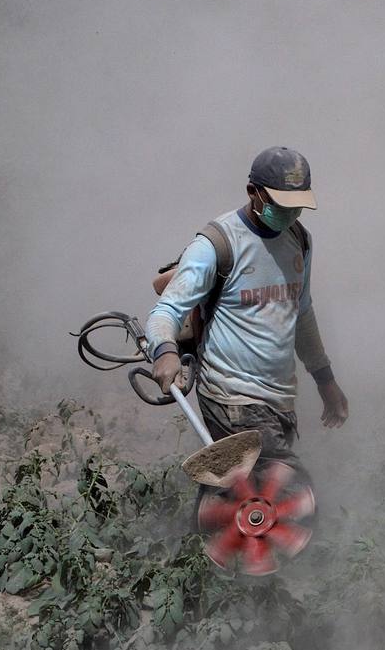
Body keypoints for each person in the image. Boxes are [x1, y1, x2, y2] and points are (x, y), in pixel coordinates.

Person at [146, 146, 348, 477]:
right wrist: (165, 351)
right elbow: (166, 309)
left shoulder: (300, 240)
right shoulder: (217, 245)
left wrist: (326, 380)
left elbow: (302, 314)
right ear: (253, 193)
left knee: (250, 499)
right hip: (231, 397)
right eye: (281, 205)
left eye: (297, 207)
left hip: (279, 399)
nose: (290, 215)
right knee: (288, 490)